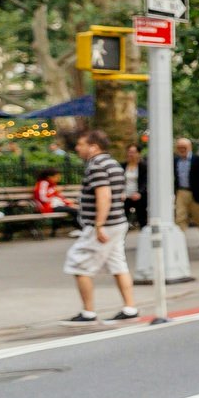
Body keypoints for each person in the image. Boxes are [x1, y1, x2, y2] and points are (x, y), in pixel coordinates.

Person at [65, 128, 139, 321]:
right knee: (117, 264)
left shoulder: (96, 165)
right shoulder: (113, 163)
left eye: (81, 144)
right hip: (117, 221)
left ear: (93, 147)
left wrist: (99, 224)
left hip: (103, 224)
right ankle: (130, 308)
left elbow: (104, 195)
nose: (77, 148)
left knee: (78, 263)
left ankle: (88, 312)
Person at [170, 137, 199, 242]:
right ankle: (179, 240)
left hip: (197, 193)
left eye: (184, 147)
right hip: (182, 191)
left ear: (190, 147)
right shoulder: (175, 161)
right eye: (179, 147)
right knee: (180, 216)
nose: (181, 149)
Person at [121, 144, 145, 227]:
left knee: (142, 218)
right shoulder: (123, 166)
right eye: (129, 152)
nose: (131, 154)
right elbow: (119, 180)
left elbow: (145, 182)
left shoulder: (143, 166)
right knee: (122, 219)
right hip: (125, 196)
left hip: (138, 196)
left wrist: (139, 193)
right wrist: (121, 192)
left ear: (138, 153)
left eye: (133, 152)